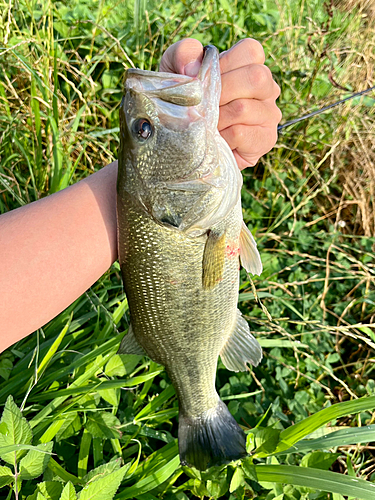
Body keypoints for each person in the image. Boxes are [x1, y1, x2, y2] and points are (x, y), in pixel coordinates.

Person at [0, 38, 281, 353]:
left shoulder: (172, 203)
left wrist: (205, 151)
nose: (144, 127)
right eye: (143, 130)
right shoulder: (172, 204)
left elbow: (152, 199)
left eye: (143, 129)